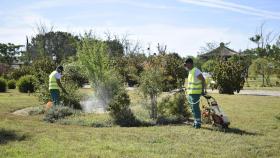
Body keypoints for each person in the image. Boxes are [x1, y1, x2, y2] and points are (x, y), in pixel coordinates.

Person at [184, 58, 206, 128]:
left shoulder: (196, 70)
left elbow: (203, 80)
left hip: (196, 93)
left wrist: (203, 90)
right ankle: (195, 121)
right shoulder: (190, 72)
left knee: (195, 108)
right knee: (193, 108)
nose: (185, 66)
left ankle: (198, 123)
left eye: (186, 64)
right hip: (190, 93)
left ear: (190, 63)